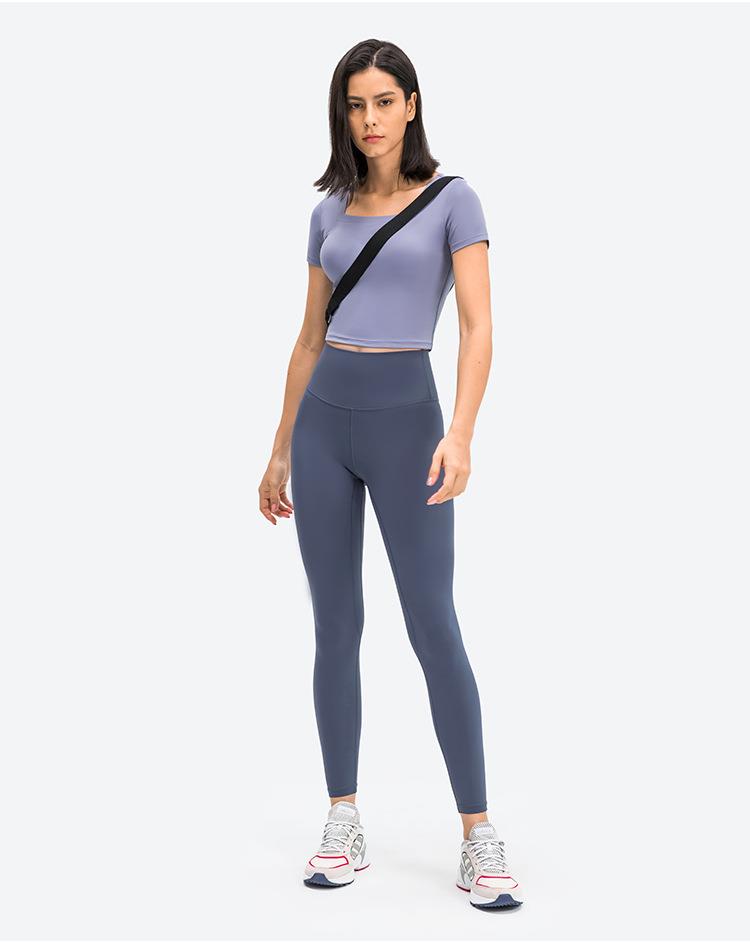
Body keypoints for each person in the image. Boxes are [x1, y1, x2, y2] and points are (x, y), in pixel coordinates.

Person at [258, 39, 523, 911]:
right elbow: (308, 338)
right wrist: (280, 448)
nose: (368, 119)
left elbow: (478, 328)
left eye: (382, 101)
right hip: (324, 426)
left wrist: (463, 433)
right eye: (354, 104)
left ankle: (478, 833)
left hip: (412, 427)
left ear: (411, 104)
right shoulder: (327, 211)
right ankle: (343, 818)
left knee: (433, 625)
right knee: (335, 626)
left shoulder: (454, 199)